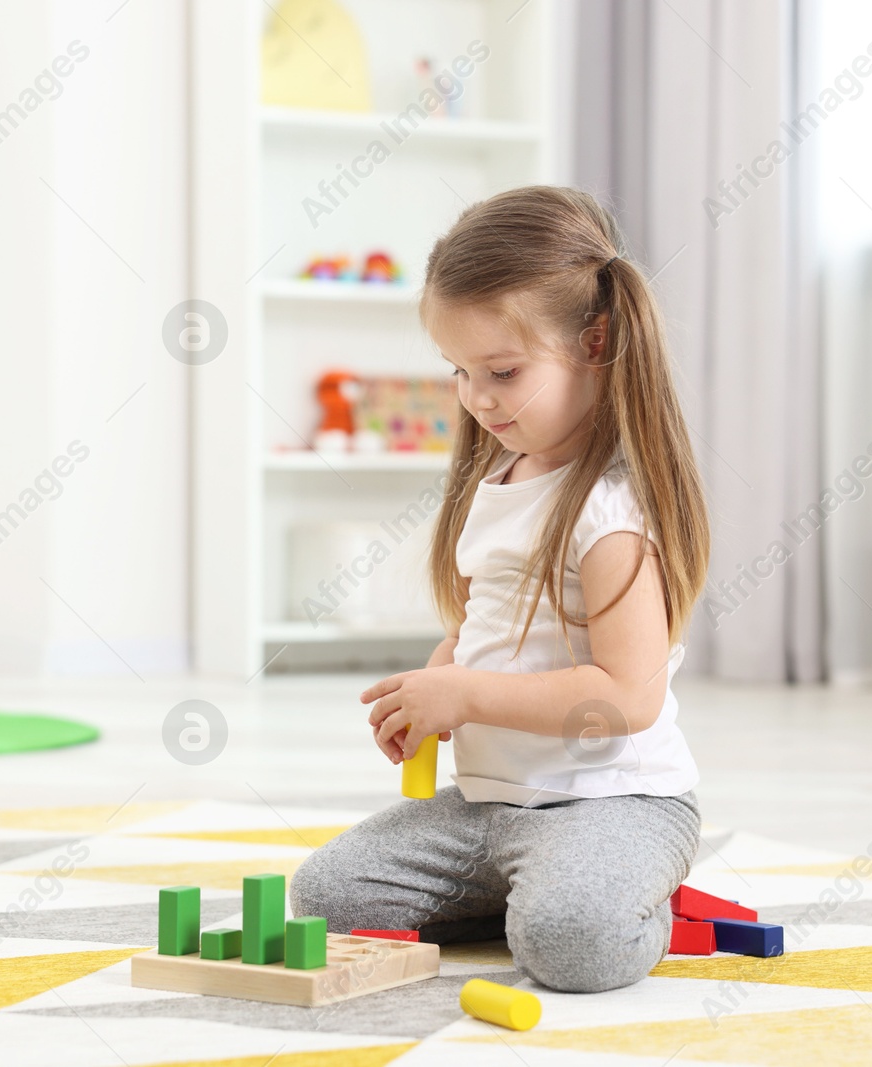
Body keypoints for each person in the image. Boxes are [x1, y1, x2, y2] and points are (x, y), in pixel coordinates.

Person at [289, 185, 712, 993]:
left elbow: (627, 695)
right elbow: (492, 626)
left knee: (573, 944)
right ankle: (535, 900)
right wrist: (434, 685)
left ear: (595, 344)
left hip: (611, 803)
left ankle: (622, 900)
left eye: (502, 371)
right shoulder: (503, 478)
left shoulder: (610, 512)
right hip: (492, 807)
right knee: (328, 898)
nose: (477, 398)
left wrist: (467, 692)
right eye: (460, 371)